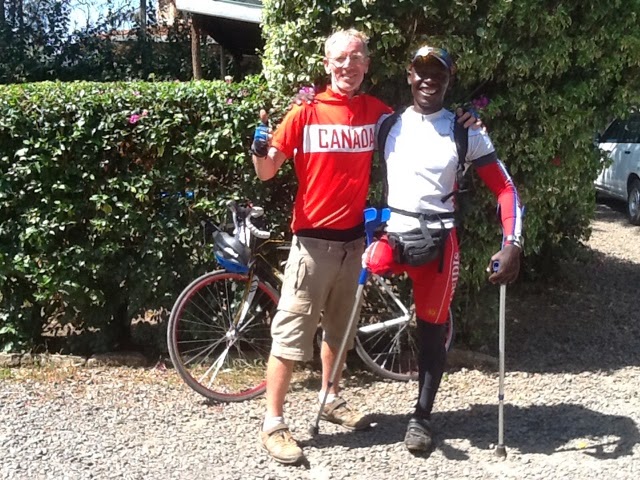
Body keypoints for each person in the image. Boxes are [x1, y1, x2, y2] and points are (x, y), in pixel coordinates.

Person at [251, 29, 479, 465]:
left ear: (366, 65)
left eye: (356, 58)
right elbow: (266, 171)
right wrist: (259, 148)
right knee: (291, 334)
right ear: (326, 64)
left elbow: (423, 127)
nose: (348, 66)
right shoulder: (304, 112)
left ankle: (330, 398)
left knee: (340, 332)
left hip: (355, 242)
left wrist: (468, 123)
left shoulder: (377, 114)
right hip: (312, 244)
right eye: (340, 58)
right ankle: (273, 423)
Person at [362, 45, 523, 455]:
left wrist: (512, 243)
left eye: (439, 72)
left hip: (439, 244)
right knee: (352, 284)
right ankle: (332, 394)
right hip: (393, 236)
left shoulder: (466, 130)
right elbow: (340, 137)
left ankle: (421, 417)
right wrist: (305, 104)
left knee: (431, 332)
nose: (429, 79)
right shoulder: (386, 125)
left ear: (449, 80)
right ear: (409, 75)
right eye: (422, 71)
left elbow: (505, 189)